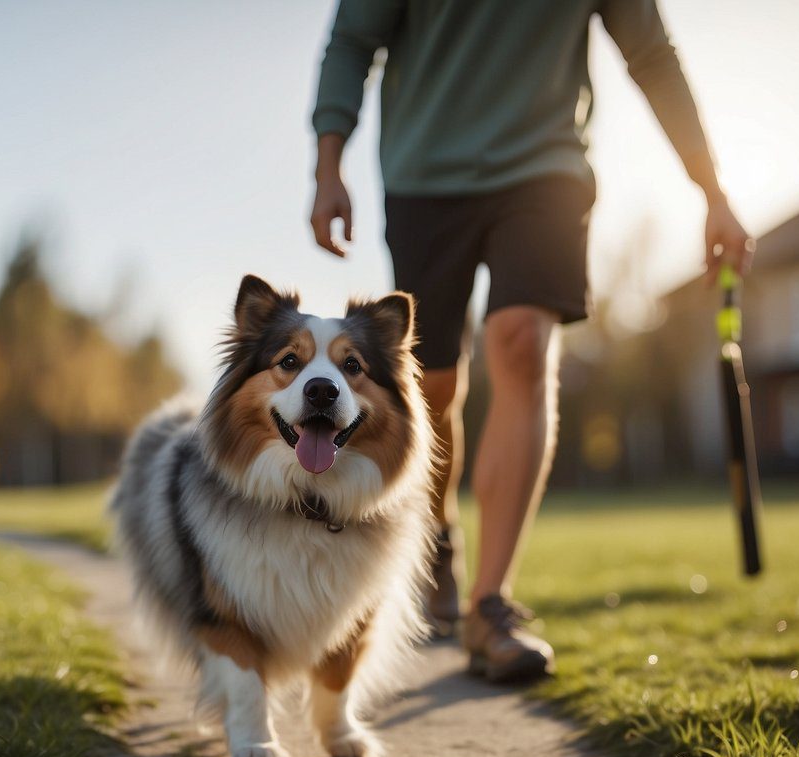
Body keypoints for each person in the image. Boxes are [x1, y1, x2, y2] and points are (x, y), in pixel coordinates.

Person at [310, 1, 753, 682]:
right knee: (431, 386)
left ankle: (489, 605)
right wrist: (327, 163)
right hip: (425, 177)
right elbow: (352, 40)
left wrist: (711, 190)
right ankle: (438, 543)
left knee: (520, 342)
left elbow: (650, 52)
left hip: (544, 167)